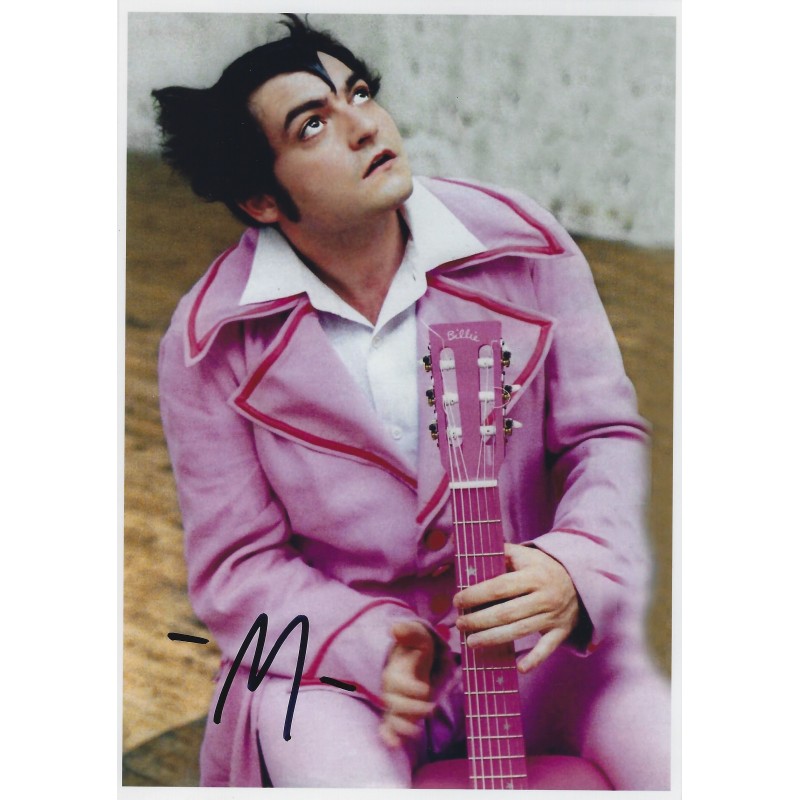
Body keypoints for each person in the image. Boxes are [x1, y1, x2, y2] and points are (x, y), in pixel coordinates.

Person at [152, 15, 670, 789]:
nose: (364, 125)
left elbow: (602, 435)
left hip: (552, 649)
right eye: (313, 124)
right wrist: (373, 645)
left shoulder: (524, 244)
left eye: (359, 93)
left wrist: (575, 566)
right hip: (346, 676)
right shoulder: (210, 341)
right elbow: (239, 568)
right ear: (261, 198)